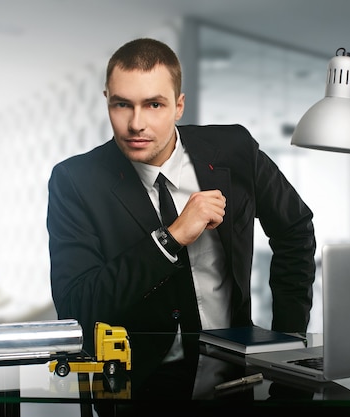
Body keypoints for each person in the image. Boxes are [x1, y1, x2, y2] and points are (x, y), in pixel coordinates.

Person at [47, 38, 316, 372]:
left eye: (154, 105)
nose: (136, 124)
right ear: (107, 102)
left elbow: (295, 228)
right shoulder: (75, 181)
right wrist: (169, 239)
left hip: (237, 373)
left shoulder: (234, 149)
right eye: (122, 105)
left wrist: (288, 339)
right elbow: (78, 306)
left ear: (179, 106)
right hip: (139, 387)